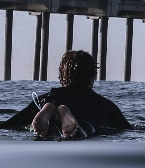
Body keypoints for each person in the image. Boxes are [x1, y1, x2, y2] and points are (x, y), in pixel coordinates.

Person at [0, 50, 133, 139]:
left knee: (43, 133)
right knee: (87, 131)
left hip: (53, 102)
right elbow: (129, 130)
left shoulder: (47, 97)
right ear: (92, 75)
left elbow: (9, 125)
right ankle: (65, 117)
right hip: (83, 126)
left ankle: (51, 112)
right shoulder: (106, 105)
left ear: (62, 75)